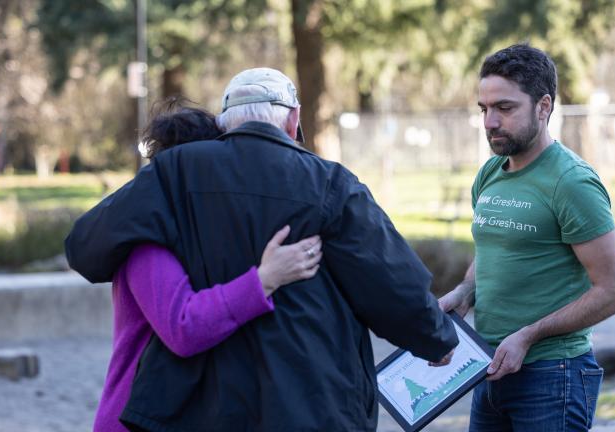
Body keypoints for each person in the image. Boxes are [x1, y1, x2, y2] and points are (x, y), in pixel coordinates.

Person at [66, 67, 458, 431]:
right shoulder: (330, 184)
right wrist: (436, 338)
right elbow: (388, 281)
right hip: (316, 400)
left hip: (208, 406)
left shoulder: (176, 174)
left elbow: (85, 244)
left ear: (224, 123)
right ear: (293, 120)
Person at [94, 98, 323, 432]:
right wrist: (265, 279)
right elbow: (183, 326)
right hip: (138, 421)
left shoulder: (200, 233)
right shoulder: (145, 243)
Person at [439, 44, 615, 431]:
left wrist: (529, 335)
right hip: (490, 367)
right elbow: (493, 250)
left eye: (504, 108)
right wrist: (464, 293)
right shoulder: (490, 174)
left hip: (552, 375)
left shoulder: (572, 182)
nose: (490, 122)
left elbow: (613, 291)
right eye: (484, 109)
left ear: (544, 107)